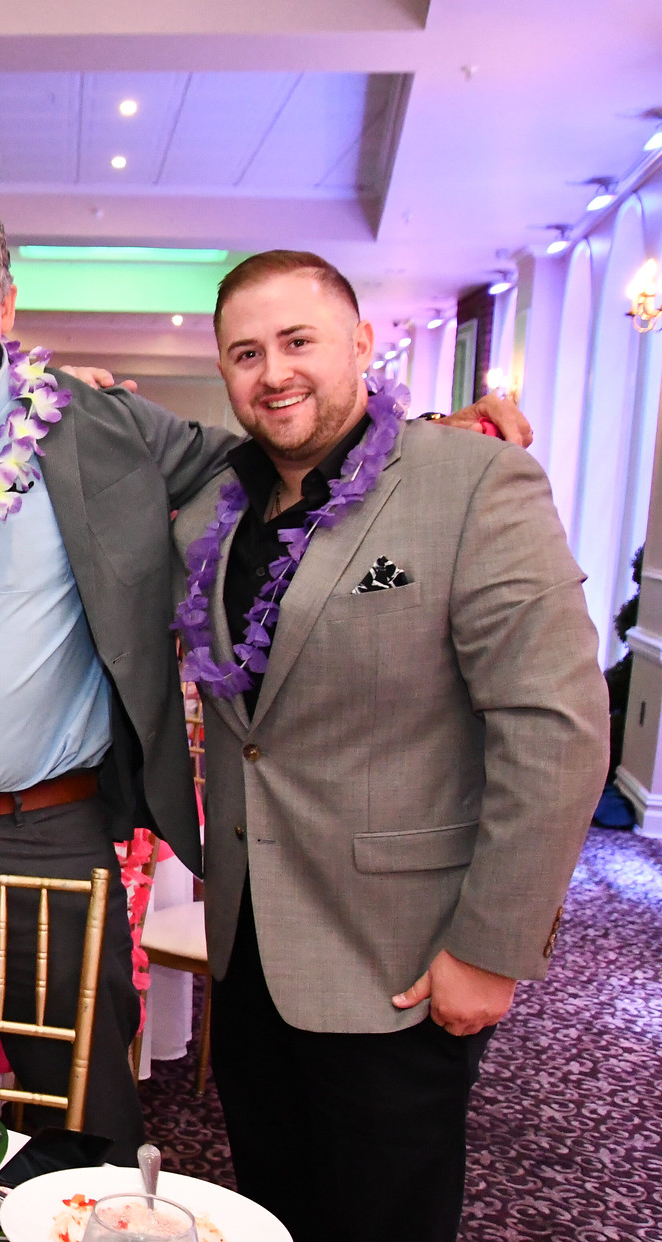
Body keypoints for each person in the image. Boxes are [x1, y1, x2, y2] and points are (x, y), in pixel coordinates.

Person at [0, 191, 534, 1151]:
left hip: (45, 830)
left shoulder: (95, 426)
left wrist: (420, 437)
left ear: (6, 305)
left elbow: (278, 453)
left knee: (85, 1110)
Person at [176, 251, 605, 1242]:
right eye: (245, 353)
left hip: (399, 957)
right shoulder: (213, 513)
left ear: (362, 346)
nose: (272, 371)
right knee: (266, 1212)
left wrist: (490, 946)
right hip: (249, 953)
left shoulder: (472, 480)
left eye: (298, 342)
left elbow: (556, 726)